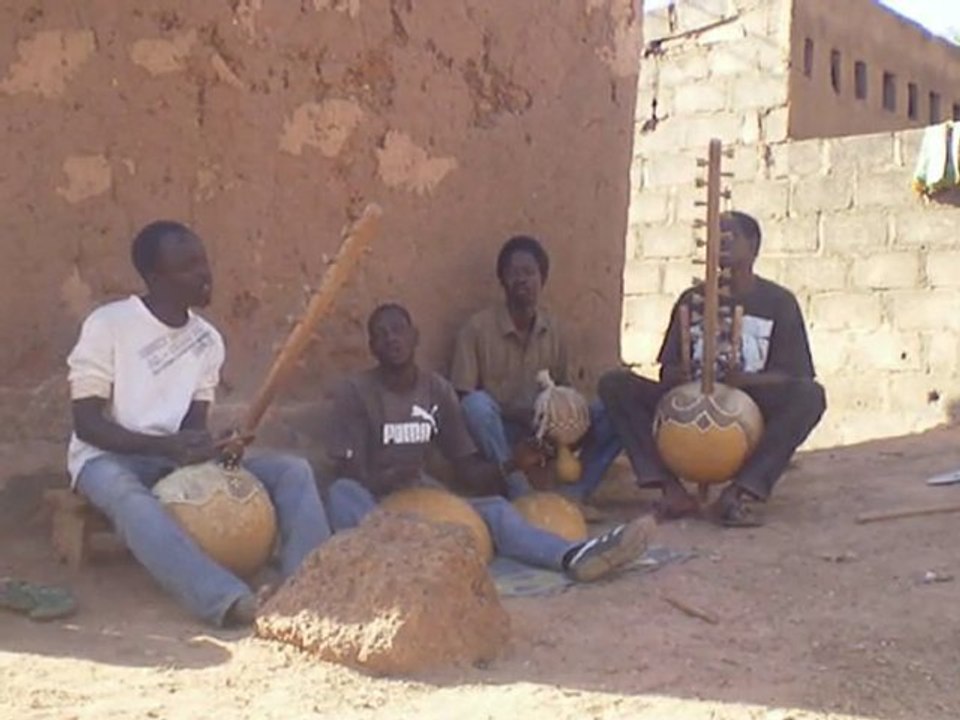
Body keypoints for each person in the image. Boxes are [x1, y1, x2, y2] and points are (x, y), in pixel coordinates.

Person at [67, 221, 332, 627]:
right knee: (131, 499)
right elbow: (87, 425)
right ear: (155, 277)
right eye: (188, 266)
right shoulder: (109, 325)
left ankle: (308, 586)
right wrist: (166, 448)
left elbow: (191, 432)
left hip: (172, 460)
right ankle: (227, 601)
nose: (204, 273)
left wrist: (213, 448)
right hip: (107, 458)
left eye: (203, 261)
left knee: (292, 471)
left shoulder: (207, 340)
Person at [325, 303, 654, 582]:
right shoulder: (355, 392)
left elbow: (468, 470)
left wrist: (513, 463)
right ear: (372, 348)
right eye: (381, 335)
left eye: (398, 330)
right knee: (341, 492)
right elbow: (349, 473)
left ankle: (573, 557)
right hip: (375, 501)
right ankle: (383, 566)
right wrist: (388, 477)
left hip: (421, 497)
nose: (391, 339)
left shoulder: (436, 390)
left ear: (415, 337)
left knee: (496, 509)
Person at [598, 211, 826, 526]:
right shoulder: (691, 300)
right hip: (687, 403)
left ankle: (741, 492)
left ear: (754, 246)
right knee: (615, 385)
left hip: (750, 405)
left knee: (810, 396)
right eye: (716, 238)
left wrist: (744, 381)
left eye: (731, 236)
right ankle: (670, 490)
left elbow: (795, 374)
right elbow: (667, 370)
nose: (722, 243)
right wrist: (684, 374)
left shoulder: (779, 302)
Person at [450, 235, 621, 501]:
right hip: (501, 434)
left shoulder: (556, 331)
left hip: (547, 434)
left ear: (542, 279)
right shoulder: (476, 329)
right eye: (513, 273)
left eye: (529, 272)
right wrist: (515, 413)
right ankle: (518, 491)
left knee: (612, 411)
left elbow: (566, 390)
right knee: (476, 405)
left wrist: (556, 420)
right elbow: (461, 396)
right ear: (502, 280)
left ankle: (576, 494)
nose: (522, 280)